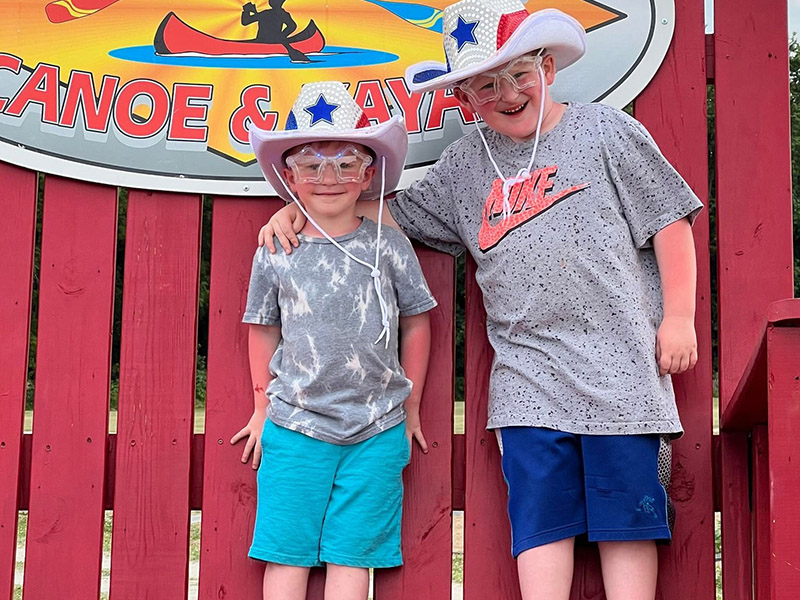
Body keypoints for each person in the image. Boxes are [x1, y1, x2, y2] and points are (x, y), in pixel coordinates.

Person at [258, 2, 703, 599]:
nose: (506, 93)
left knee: (628, 525)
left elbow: (669, 222)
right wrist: (306, 205)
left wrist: (679, 318)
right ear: (466, 99)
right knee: (541, 523)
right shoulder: (467, 164)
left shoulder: (605, 130)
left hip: (623, 373)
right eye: (485, 85)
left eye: (518, 74)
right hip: (527, 382)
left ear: (547, 67)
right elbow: (390, 209)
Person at [231, 81, 437, 600]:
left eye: (346, 163)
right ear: (289, 175)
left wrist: (410, 407)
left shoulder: (389, 246)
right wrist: (262, 408)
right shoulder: (278, 249)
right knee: (286, 553)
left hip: (377, 429)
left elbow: (416, 322)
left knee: (353, 556)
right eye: (311, 165)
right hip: (296, 425)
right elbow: (262, 328)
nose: (329, 178)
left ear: (369, 174)